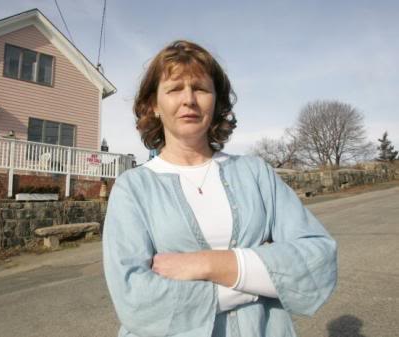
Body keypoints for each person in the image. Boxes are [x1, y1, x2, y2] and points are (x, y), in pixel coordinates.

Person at [102, 40, 337, 337]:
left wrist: (206, 264)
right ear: (153, 105)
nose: (189, 99)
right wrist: (259, 277)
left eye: (200, 88)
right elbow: (135, 298)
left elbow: (316, 258)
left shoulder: (255, 173)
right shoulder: (133, 188)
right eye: (174, 89)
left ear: (216, 102)